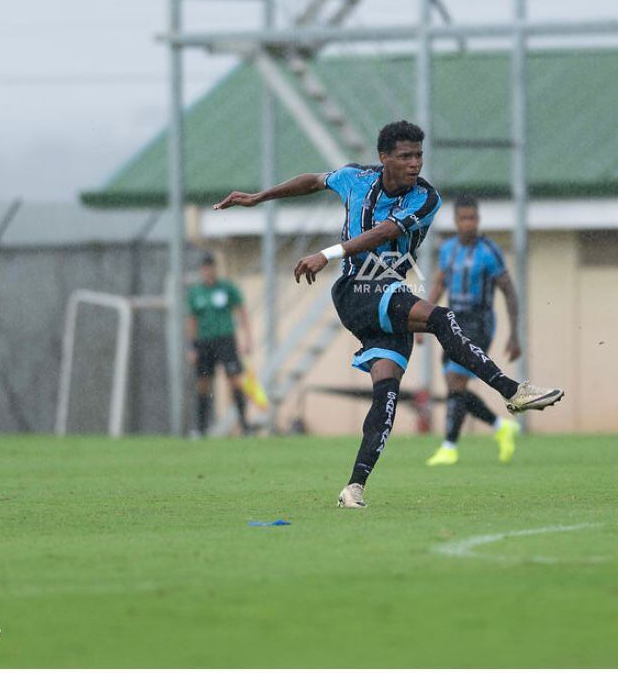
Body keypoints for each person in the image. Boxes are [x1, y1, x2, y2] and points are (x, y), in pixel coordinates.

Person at [213, 120, 563, 508]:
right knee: (442, 318)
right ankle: (513, 391)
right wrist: (258, 198)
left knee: (386, 394)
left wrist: (326, 252)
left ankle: (354, 487)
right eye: (406, 156)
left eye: (419, 156)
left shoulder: (426, 199)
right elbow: (313, 180)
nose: (415, 164)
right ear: (384, 159)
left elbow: (383, 232)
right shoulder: (354, 178)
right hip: (356, 290)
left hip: (388, 294)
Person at [422, 196, 522, 466]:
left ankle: (449, 447)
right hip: (452, 321)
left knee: (456, 381)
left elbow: (509, 291)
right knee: (456, 387)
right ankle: (501, 426)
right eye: (464, 219)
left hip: (479, 323)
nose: (469, 224)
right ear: (456, 221)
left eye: (473, 218)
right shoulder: (448, 249)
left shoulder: (489, 251)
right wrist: (421, 320)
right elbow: (439, 283)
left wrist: (514, 334)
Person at [186, 250, 253, 437]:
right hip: (204, 342)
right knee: (203, 383)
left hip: (225, 340)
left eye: (211, 267)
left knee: (235, 381)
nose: (208, 271)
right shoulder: (196, 293)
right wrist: (191, 347)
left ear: (215, 269)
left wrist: (247, 339)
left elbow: (242, 312)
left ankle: (244, 427)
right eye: (205, 268)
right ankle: (200, 429)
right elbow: (191, 321)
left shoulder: (226, 288)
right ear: (201, 270)